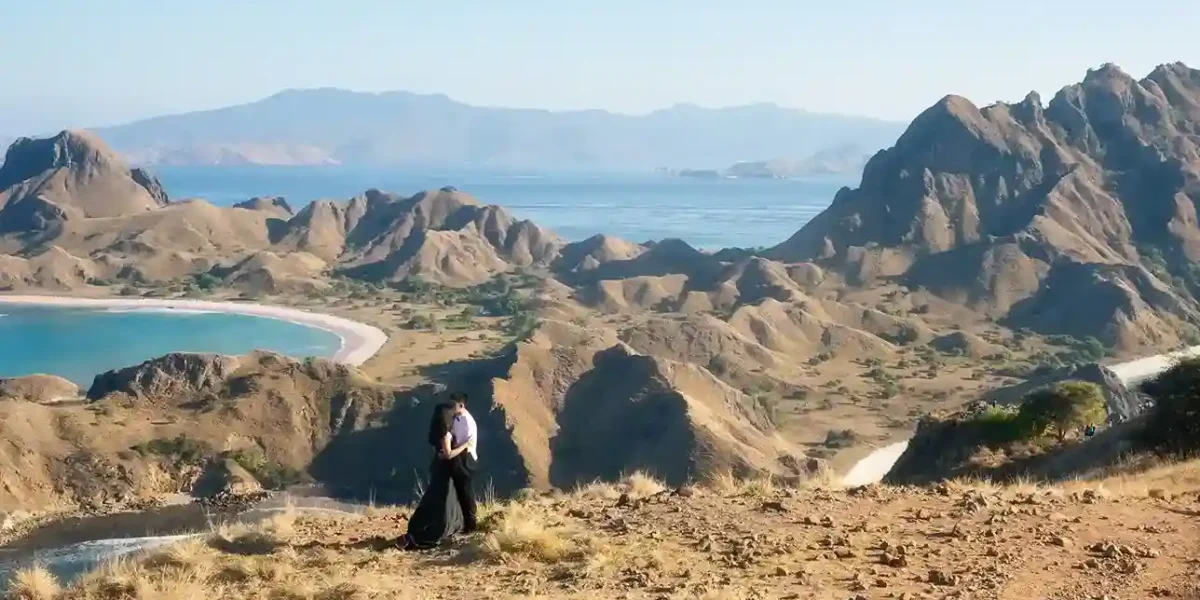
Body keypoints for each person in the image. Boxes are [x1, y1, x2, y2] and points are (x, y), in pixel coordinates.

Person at [402, 403, 464, 549]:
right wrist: (464, 446)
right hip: (444, 468)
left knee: (436, 497)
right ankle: (435, 532)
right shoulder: (445, 433)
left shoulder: (438, 431)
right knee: (444, 499)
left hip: (439, 467)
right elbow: (448, 454)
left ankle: (420, 528)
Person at [445, 392, 479, 533]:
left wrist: (450, 451)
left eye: (453, 405)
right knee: (459, 491)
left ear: (461, 405)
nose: (451, 408)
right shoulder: (457, 418)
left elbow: (464, 444)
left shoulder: (467, 422)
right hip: (459, 457)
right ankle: (463, 523)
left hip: (466, 458)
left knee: (466, 492)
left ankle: (471, 525)